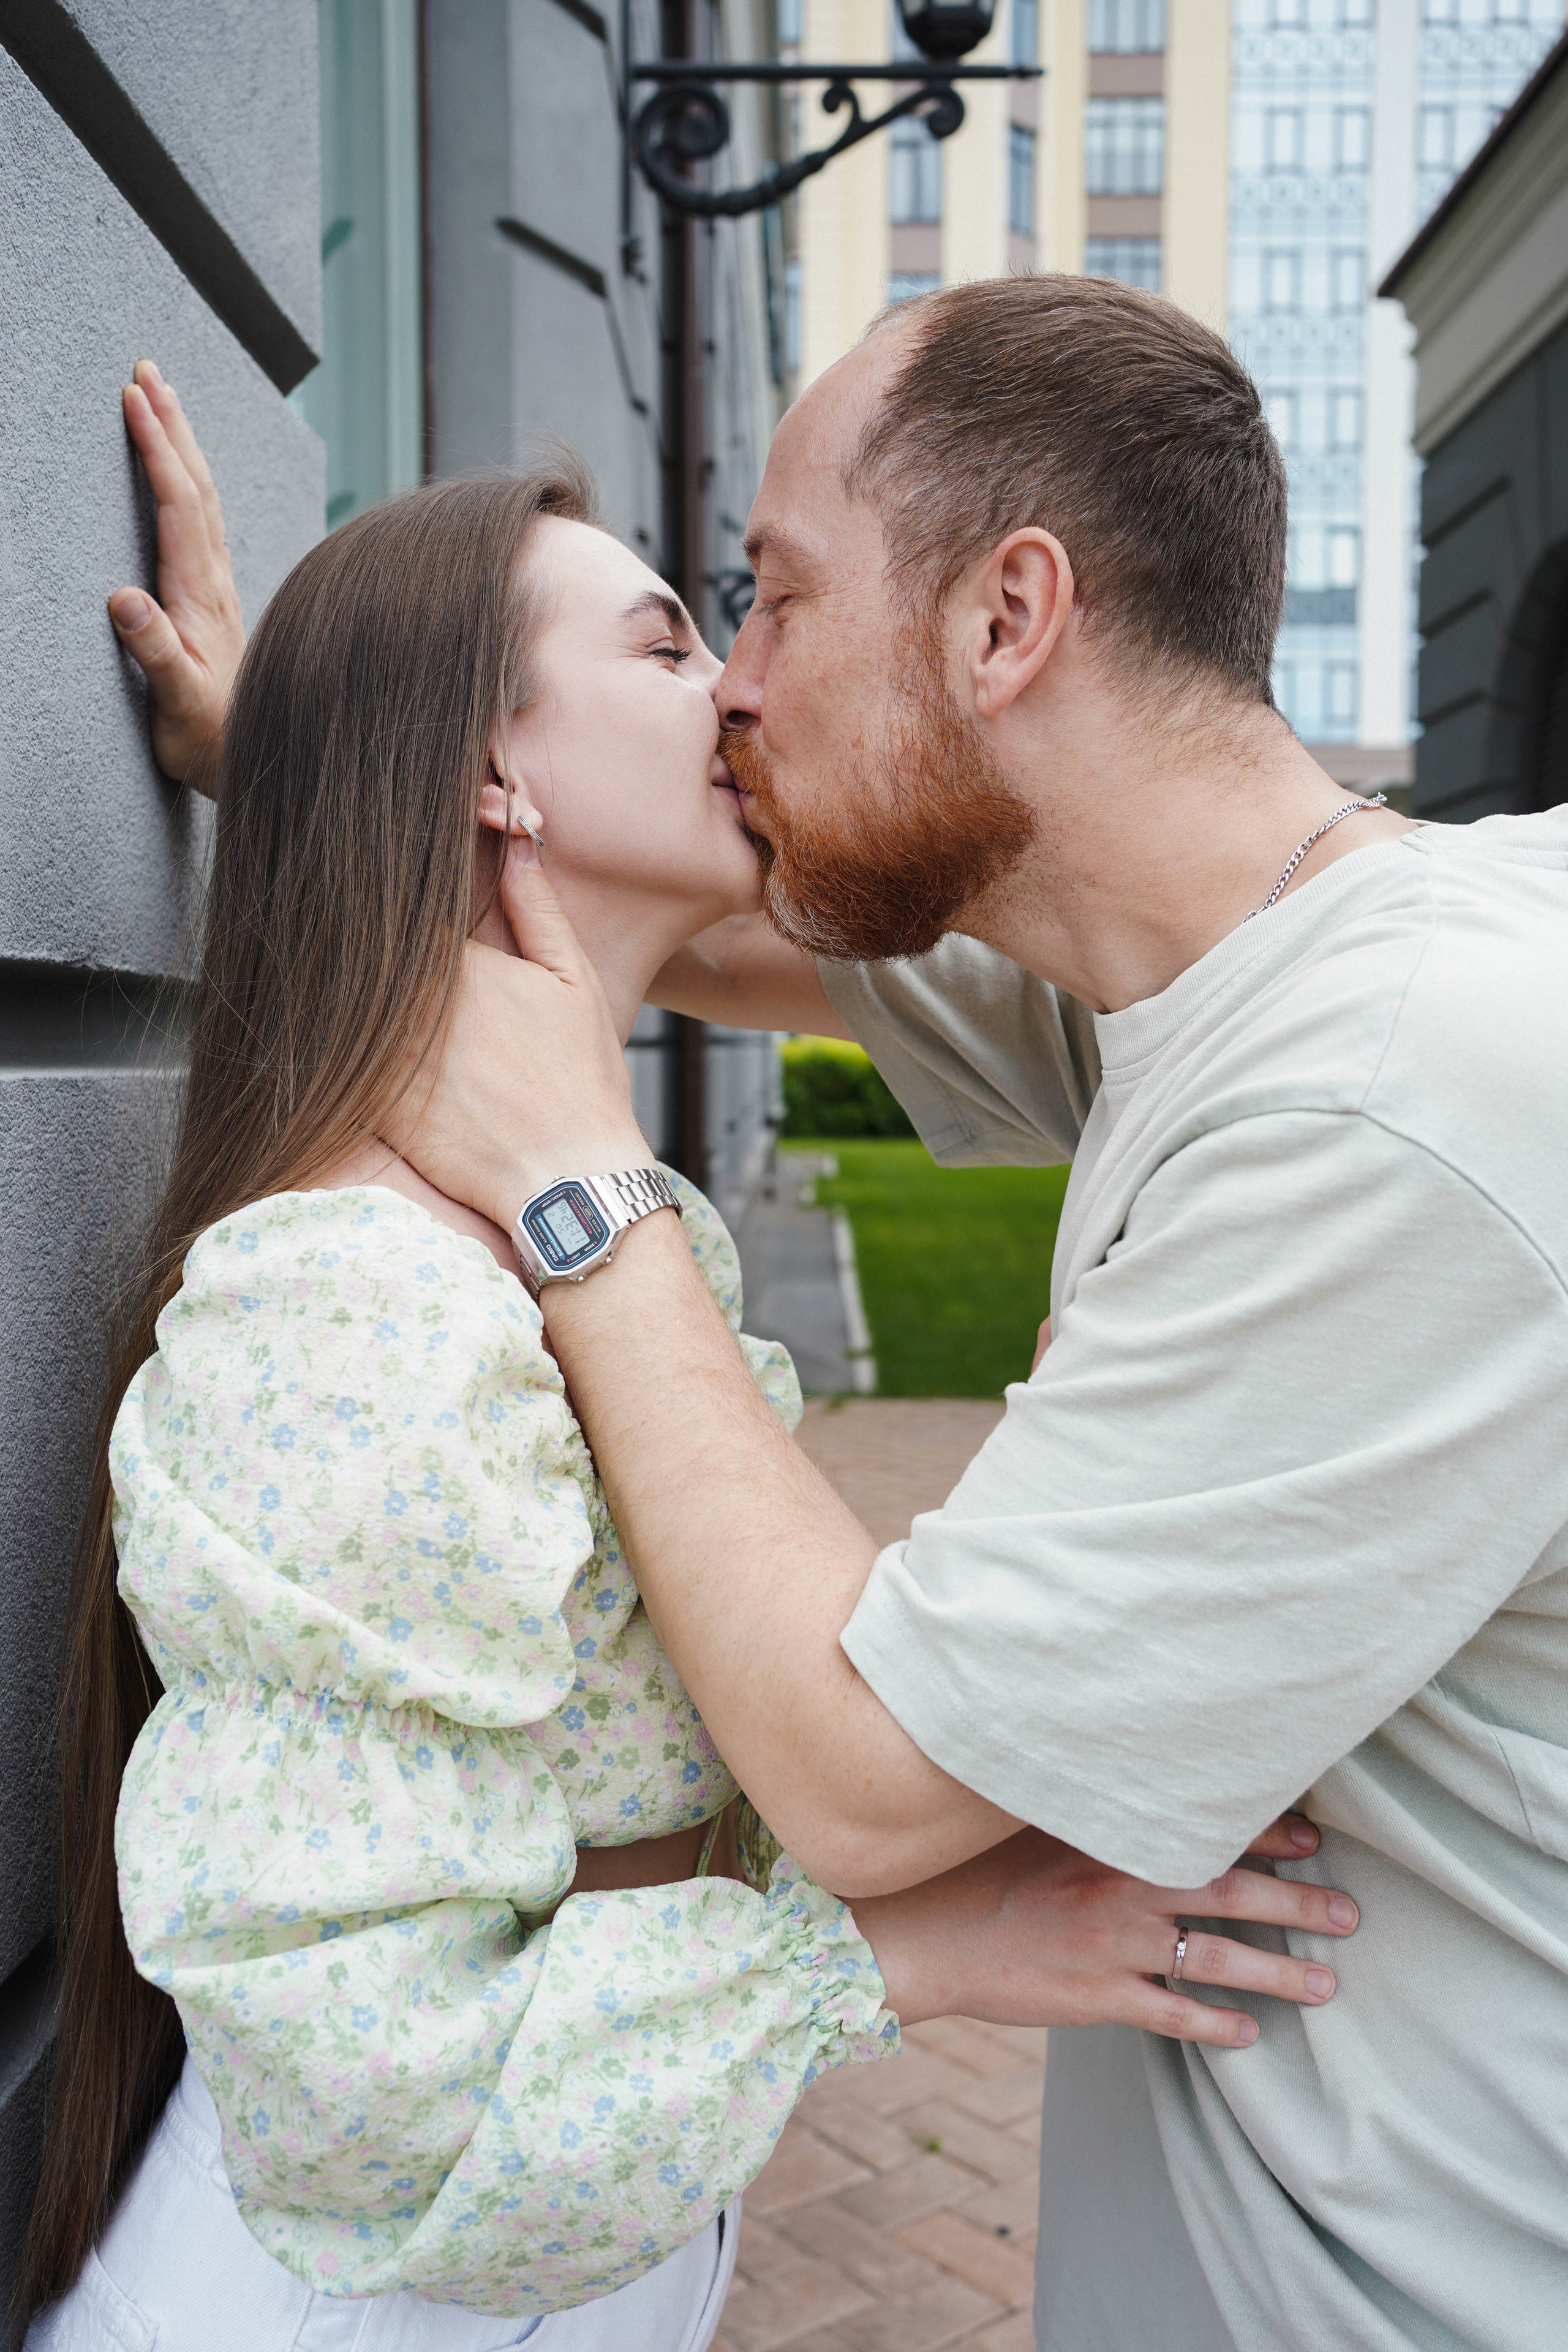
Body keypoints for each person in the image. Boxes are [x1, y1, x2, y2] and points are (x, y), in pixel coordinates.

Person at [17, 361, 1354, 2352]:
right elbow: (379, 2105)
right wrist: (902, 1950)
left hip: (564, 2245)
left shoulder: (582, 1233)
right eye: (670, 643)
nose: (740, 688)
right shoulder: (351, 1309)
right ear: (487, 772)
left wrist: (279, 751)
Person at [362, 275, 1567, 2352]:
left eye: (774, 595)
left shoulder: (1382, 1100)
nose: (736, 686)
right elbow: (735, 934)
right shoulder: (1230, 962)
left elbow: (864, 1776)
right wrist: (306, 746)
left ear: (1008, 617)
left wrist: (582, 1180)